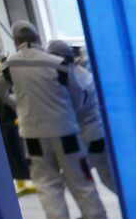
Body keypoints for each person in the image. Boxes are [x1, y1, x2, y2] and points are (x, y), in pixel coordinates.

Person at [0, 21, 111, 219]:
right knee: (81, 179)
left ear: (15, 41)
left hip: (33, 135)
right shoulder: (59, 65)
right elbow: (76, 100)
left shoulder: (9, 65)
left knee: (47, 184)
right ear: (37, 37)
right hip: (66, 132)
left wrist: (17, 103)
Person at [46, 39, 114, 193]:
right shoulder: (81, 73)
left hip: (87, 138)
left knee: (81, 180)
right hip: (96, 134)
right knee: (106, 176)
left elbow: (74, 108)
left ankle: (95, 215)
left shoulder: (71, 77)